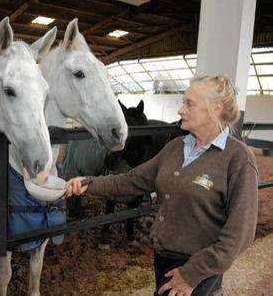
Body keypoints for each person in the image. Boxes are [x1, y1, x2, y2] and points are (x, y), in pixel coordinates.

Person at [65, 74, 258, 296]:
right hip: (163, 259)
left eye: (189, 104)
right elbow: (132, 180)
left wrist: (191, 275)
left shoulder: (238, 159)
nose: (180, 110)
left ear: (216, 109)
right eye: (182, 102)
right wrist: (88, 183)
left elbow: (240, 234)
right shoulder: (176, 148)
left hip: (198, 269)